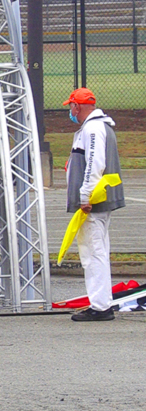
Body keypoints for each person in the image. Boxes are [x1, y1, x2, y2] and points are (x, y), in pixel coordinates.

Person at [64, 88, 125, 322]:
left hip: (93, 202)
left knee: (93, 251)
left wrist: (85, 195)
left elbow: (94, 164)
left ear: (77, 106)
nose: (71, 111)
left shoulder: (91, 129)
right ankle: (101, 303)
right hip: (99, 200)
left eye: (71, 106)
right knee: (96, 249)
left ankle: (100, 306)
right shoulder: (100, 127)